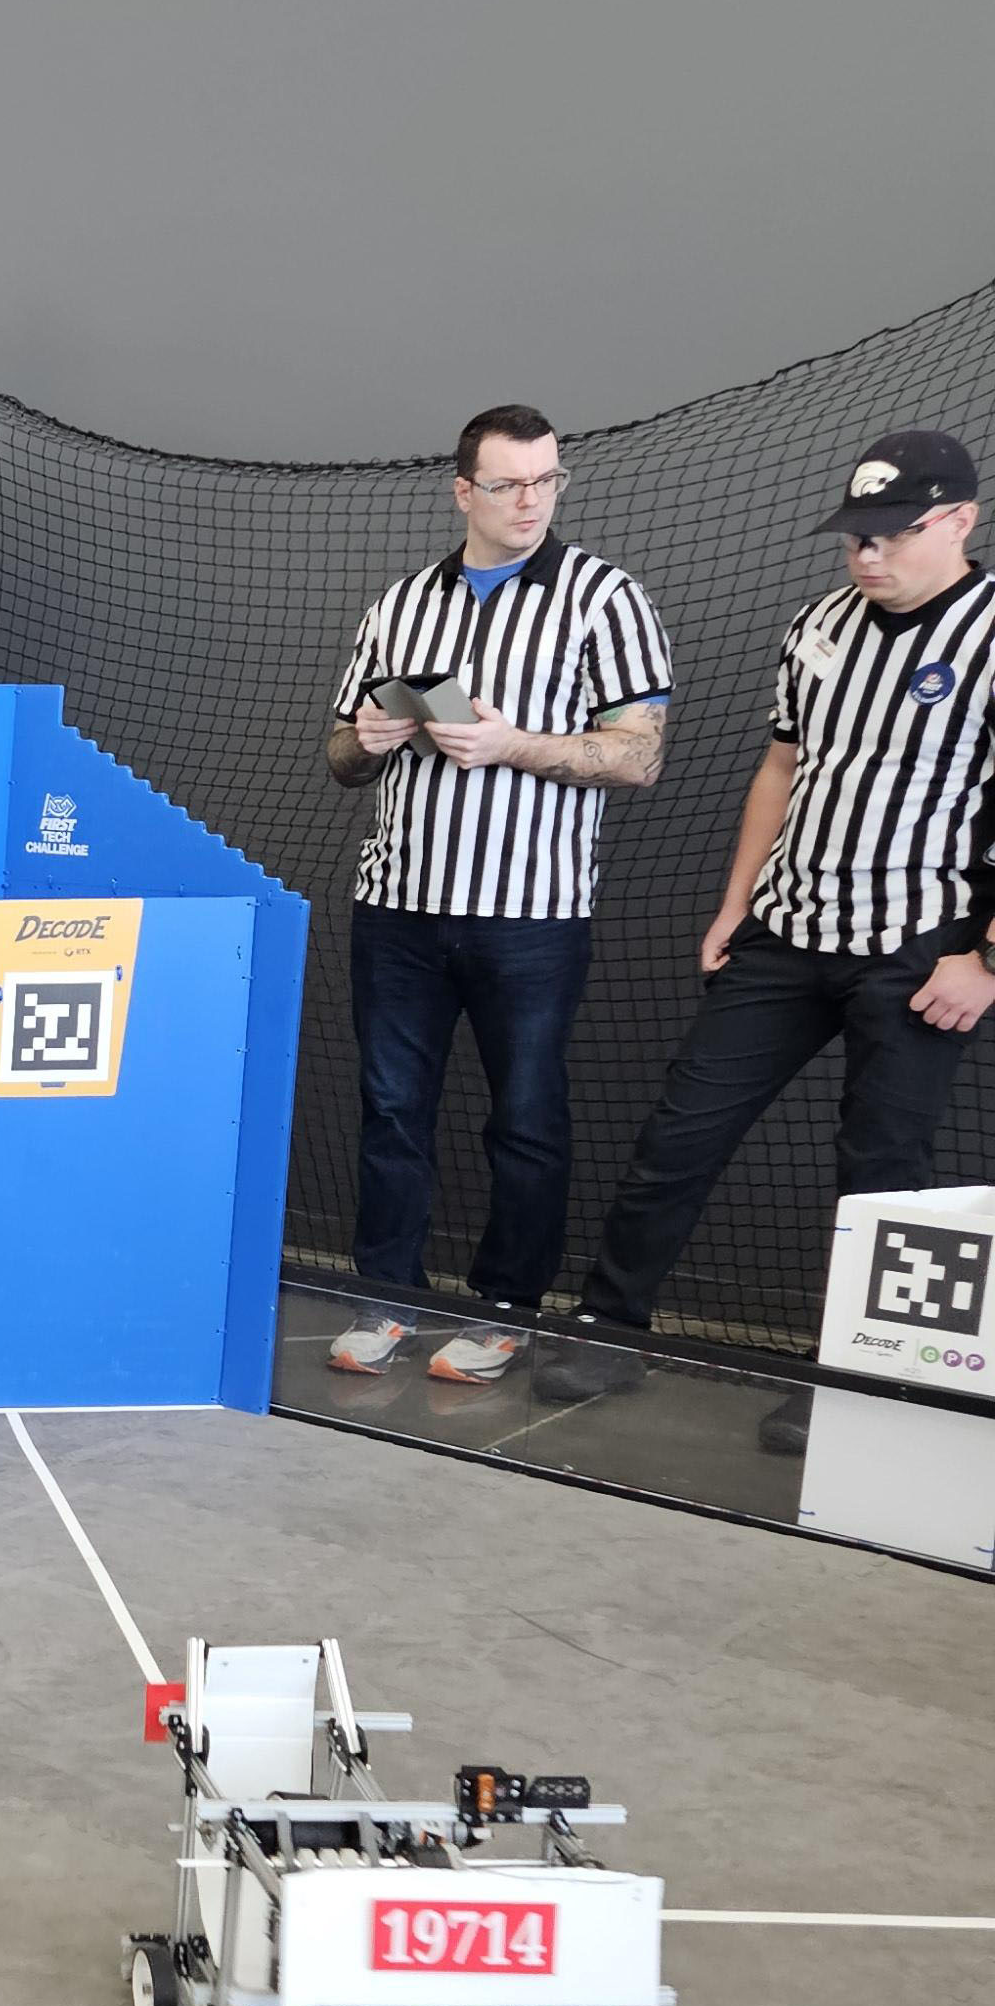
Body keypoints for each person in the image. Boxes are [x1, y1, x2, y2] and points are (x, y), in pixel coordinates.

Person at [537, 429, 995, 1445]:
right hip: (786, 932)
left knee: (883, 1174)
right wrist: (735, 902)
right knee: (679, 1133)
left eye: (894, 534)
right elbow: (779, 768)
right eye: (854, 538)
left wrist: (984, 957)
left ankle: (861, 1380)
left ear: (959, 520)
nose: (867, 556)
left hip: (919, 948)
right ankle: (608, 1330)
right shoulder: (816, 625)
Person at [321, 404, 673, 1383]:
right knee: (392, 1106)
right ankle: (385, 1298)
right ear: (463, 491)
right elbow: (339, 753)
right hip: (396, 908)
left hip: (531, 915)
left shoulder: (604, 597)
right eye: (509, 484)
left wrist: (514, 744)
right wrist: (371, 737)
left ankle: (506, 1308)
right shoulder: (399, 604)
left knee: (524, 1112)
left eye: (546, 480)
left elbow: (638, 757)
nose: (530, 501)